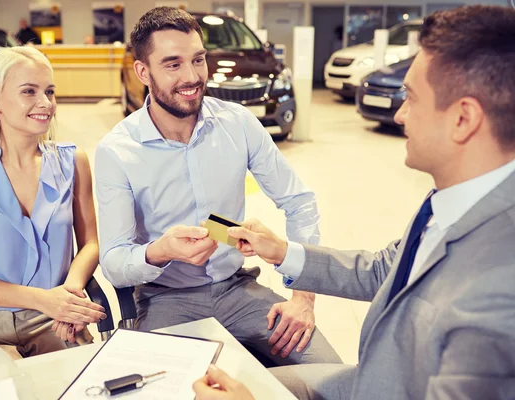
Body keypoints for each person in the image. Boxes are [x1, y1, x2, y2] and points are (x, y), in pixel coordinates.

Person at [193, 5, 515, 400]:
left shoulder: (495, 294)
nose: (400, 115)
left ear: (463, 120)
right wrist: (282, 252)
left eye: (411, 98)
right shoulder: (452, 199)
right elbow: (384, 270)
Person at [95, 7, 340, 366]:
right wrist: (160, 251)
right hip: (165, 299)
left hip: (237, 288)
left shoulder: (237, 123)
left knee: (330, 375)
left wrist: (303, 297)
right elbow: (114, 261)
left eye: (198, 60)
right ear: (143, 72)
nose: (192, 76)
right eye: (173, 64)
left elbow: (299, 202)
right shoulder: (117, 151)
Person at [0, 46, 106, 359]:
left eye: (49, 91)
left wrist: (69, 295)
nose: (45, 103)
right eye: (29, 91)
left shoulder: (73, 162)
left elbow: (91, 245)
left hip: (53, 321)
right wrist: (44, 300)